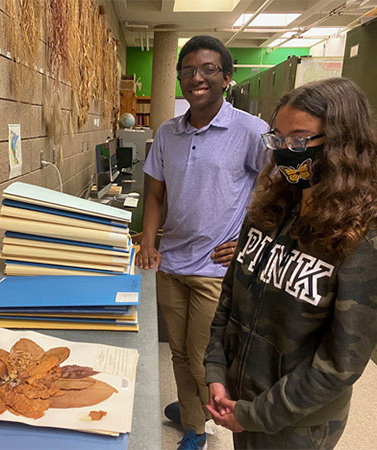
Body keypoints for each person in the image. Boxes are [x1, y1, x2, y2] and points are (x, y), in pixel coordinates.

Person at [204, 77, 377, 449]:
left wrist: (257, 415)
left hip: (298, 424)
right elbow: (229, 298)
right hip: (241, 398)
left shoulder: (371, 240)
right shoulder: (270, 208)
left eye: (297, 140)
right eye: (276, 138)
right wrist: (217, 371)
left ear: (342, 145)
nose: (283, 151)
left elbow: (340, 364)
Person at [135, 35, 269, 450]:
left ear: (227, 77)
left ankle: (200, 429)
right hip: (171, 264)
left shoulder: (251, 130)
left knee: (201, 359)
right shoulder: (167, 132)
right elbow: (155, 194)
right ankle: (192, 416)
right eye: (188, 70)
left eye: (208, 69)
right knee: (177, 353)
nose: (197, 77)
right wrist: (150, 242)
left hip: (216, 268)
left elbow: (276, 194)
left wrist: (252, 243)